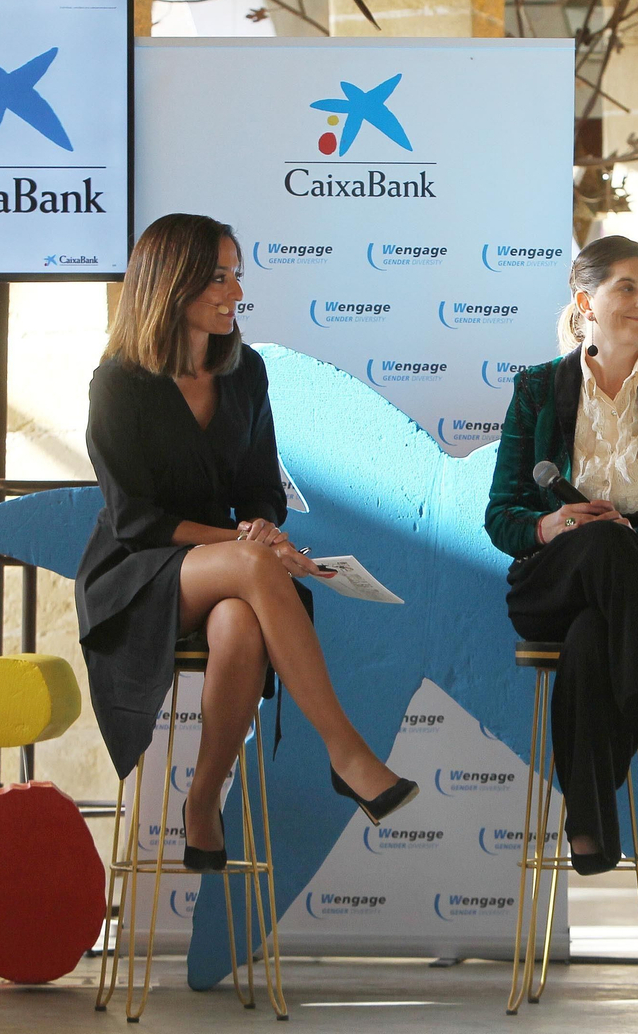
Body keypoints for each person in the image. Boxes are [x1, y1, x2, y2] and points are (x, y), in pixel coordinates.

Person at [75, 213, 417, 872]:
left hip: (228, 568)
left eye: (237, 275)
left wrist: (258, 525)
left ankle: (202, 803)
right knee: (254, 567)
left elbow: (261, 485)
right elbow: (134, 518)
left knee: (240, 624)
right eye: (217, 278)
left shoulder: (244, 370)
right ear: (170, 286)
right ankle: (347, 752)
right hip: (137, 572)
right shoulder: (118, 383)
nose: (235, 292)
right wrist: (245, 541)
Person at [485, 234, 638, 875]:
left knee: (594, 637)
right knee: (595, 541)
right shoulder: (538, 389)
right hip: (553, 578)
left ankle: (589, 825)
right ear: (584, 299)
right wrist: (558, 524)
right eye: (626, 286)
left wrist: (630, 540)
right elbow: (502, 518)